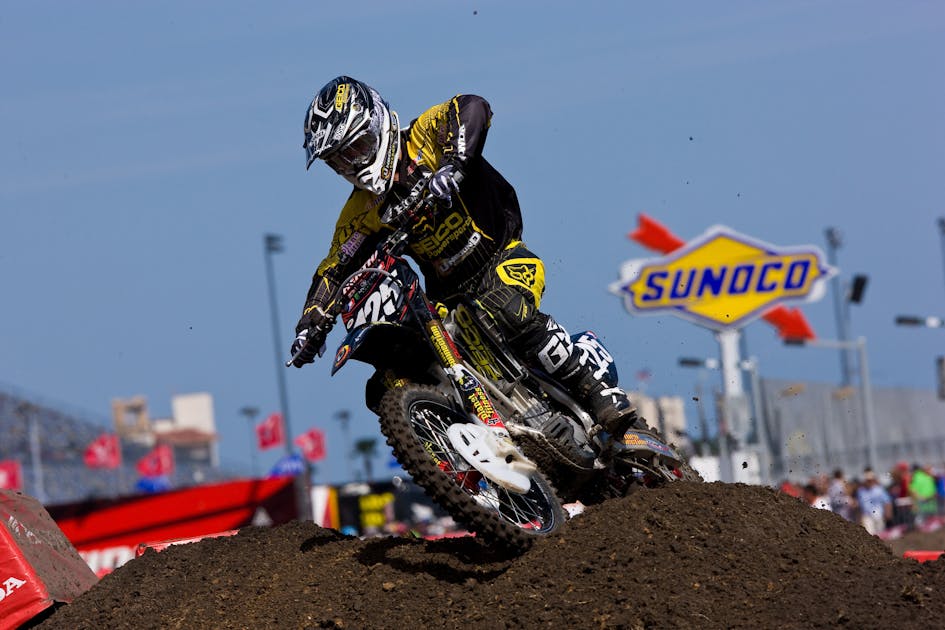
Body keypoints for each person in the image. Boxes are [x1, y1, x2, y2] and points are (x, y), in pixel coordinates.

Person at [290, 76, 643, 443]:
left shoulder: (423, 137)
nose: (351, 164)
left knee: (504, 309)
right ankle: (462, 456)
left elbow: (473, 106)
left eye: (356, 147)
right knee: (389, 379)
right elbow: (333, 268)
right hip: (449, 298)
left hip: (504, 258)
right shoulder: (360, 212)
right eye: (338, 161)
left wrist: (454, 165)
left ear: (377, 125)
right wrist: (310, 324)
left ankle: (598, 392)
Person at [855, 468, 892, 536]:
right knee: (869, 534)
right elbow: (859, 505)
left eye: (870, 480)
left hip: (879, 515)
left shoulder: (879, 489)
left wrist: (888, 513)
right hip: (867, 516)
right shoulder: (860, 491)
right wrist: (859, 518)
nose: (869, 482)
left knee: (880, 534)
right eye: (867, 480)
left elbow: (887, 501)